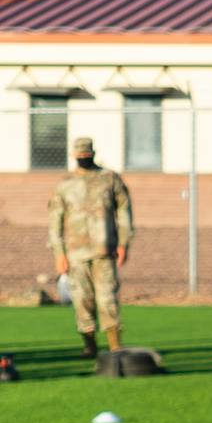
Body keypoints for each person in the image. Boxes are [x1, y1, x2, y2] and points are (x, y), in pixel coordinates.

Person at [47, 136, 134, 359]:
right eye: (80, 156)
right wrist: (59, 254)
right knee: (81, 300)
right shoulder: (65, 185)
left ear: (93, 154)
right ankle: (89, 345)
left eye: (86, 155)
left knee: (107, 298)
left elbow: (124, 211)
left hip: (104, 250)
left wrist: (124, 242)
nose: (83, 159)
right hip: (75, 253)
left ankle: (115, 346)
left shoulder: (109, 179)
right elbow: (54, 221)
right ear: (74, 157)